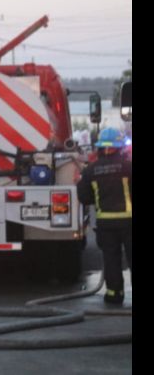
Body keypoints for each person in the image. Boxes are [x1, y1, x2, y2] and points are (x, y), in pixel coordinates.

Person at [76, 127, 132, 305]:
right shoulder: (128, 167)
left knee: (111, 259)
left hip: (105, 223)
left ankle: (114, 294)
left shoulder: (90, 170)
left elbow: (84, 197)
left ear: (100, 148)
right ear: (120, 147)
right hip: (129, 222)